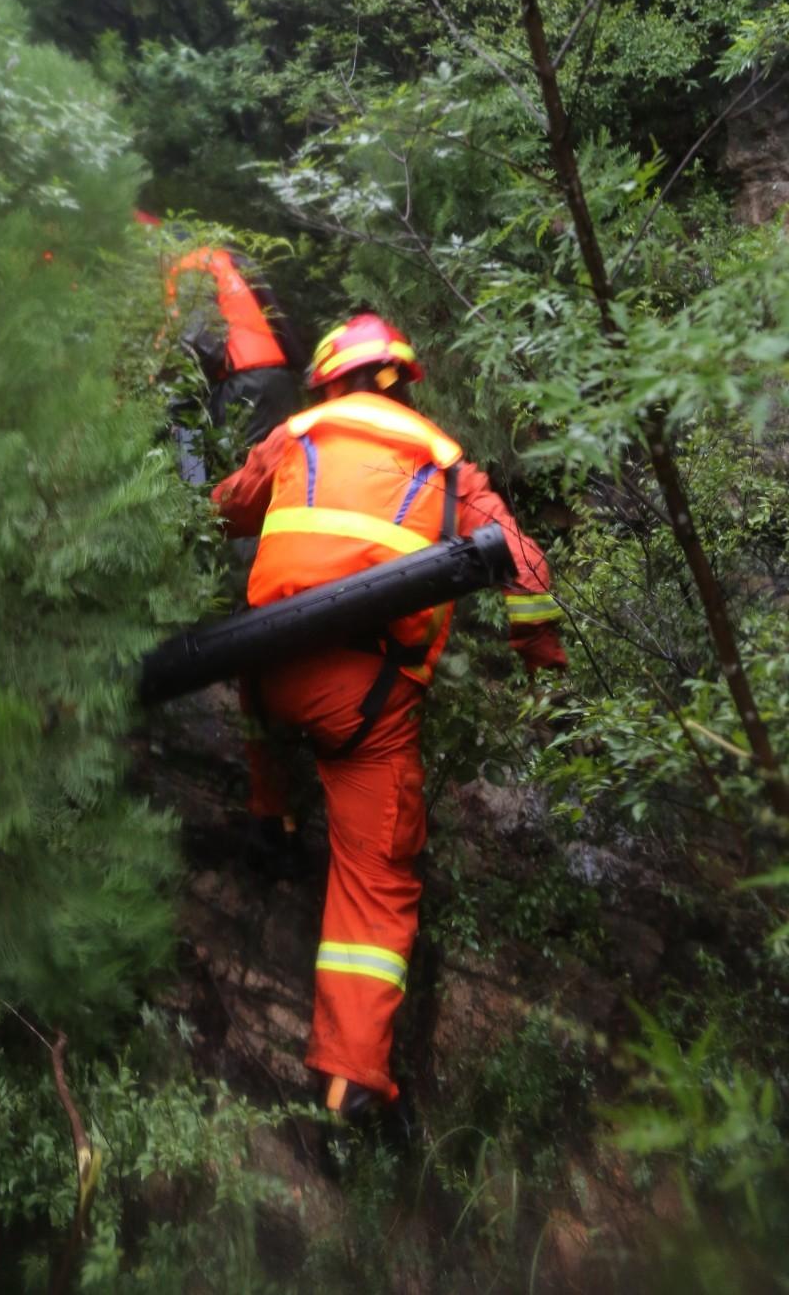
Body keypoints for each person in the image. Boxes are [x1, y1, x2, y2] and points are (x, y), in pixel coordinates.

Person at [211, 313, 565, 1124]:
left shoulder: (298, 433)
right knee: (375, 881)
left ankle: (271, 819)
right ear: (402, 378)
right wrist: (542, 662)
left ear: (328, 377)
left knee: (251, 672)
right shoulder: (442, 458)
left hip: (268, 675)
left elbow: (227, 508)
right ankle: (351, 1082)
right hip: (366, 703)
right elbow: (520, 558)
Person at [163, 240, 306, 451]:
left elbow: (202, 347)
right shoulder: (233, 261)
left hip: (243, 392)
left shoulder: (192, 267)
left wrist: (181, 403)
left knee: (234, 479)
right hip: (282, 385)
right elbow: (283, 325)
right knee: (284, 473)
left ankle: (189, 482)